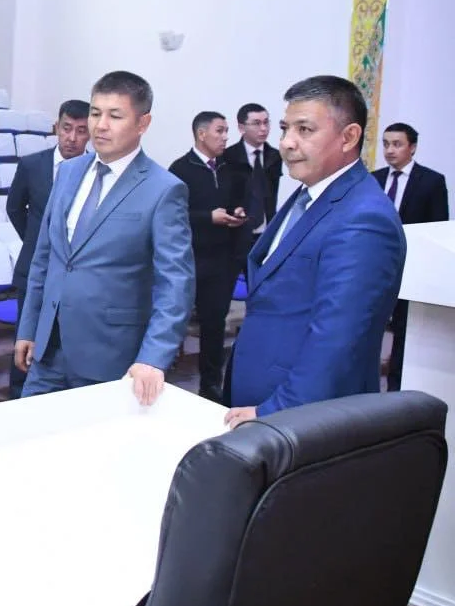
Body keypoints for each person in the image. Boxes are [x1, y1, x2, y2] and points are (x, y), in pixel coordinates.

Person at [225, 76, 406, 428]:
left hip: (302, 417)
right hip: (261, 396)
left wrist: (273, 411)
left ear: (348, 137)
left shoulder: (364, 218)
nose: (286, 142)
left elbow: (338, 337)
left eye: (304, 129)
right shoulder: (309, 194)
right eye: (285, 128)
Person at [13, 71, 194, 405]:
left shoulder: (163, 189)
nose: (101, 125)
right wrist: (29, 327)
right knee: (32, 433)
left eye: (115, 116)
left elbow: (175, 284)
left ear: (142, 123)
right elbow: (45, 257)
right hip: (48, 349)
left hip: (110, 354)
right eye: (96, 113)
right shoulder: (68, 172)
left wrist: (153, 357)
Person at [4, 98, 90, 399]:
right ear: (56, 128)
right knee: (25, 336)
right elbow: (15, 208)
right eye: (67, 128)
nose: (72, 138)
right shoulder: (32, 165)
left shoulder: (95, 171)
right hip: (34, 268)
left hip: (76, 272)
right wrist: (36, 240)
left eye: (81, 131)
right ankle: (18, 397)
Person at [169, 111, 247, 403]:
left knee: (214, 325)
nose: (226, 137)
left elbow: (238, 201)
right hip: (188, 260)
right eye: (220, 131)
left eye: (226, 131)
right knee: (173, 321)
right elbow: (173, 215)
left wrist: (237, 212)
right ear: (202, 134)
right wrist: (207, 218)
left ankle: (210, 385)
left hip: (221, 261)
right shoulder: (180, 169)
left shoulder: (229, 168)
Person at [373, 122, 449, 391]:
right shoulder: (374, 179)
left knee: (403, 331)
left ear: (412, 147)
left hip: (411, 268)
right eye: (386, 144)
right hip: (375, 265)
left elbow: (437, 226)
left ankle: (396, 388)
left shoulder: (431, 181)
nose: (390, 150)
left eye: (397, 144)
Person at [222, 103, 283, 265]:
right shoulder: (227, 157)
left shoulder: (275, 156)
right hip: (235, 235)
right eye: (257, 123)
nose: (263, 128)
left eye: (266, 122)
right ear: (241, 127)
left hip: (266, 232)